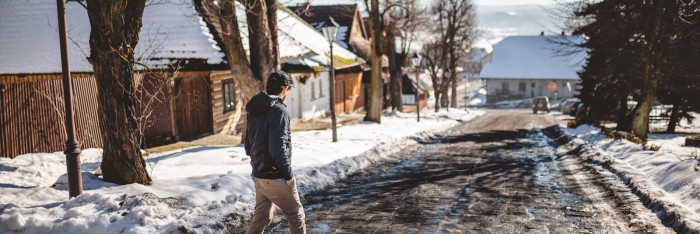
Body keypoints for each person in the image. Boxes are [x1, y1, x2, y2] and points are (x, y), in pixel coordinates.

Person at [244, 71, 306, 234]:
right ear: (284, 89)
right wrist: (288, 175)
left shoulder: (254, 109)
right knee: (296, 216)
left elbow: (248, 146)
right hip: (275, 176)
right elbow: (278, 149)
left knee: (262, 218)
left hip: (258, 174)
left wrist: (258, 163)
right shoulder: (279, 112)